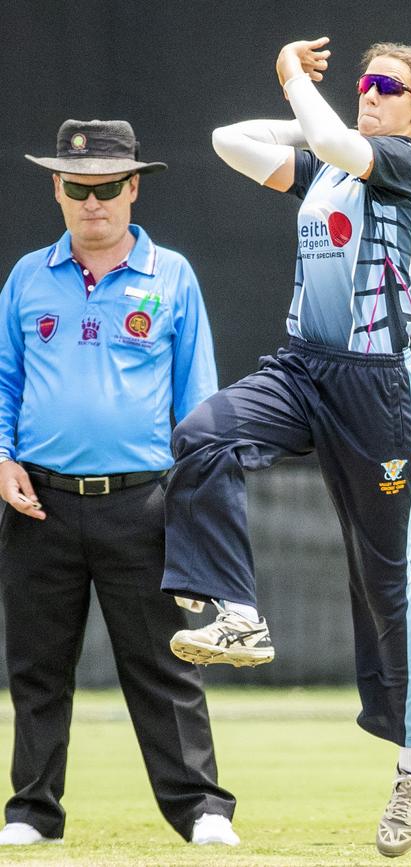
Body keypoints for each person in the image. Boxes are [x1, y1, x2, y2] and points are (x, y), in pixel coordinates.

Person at [162, 37, 411, 858]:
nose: (370, 93)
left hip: (375, 390)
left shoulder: (399, 167)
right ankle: (236, 611)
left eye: (388, 86)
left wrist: (290, 80)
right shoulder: (334, 168)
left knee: (383, 581)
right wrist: (306, 115)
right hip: (304, 368)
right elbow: (231, 142)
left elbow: (346, 140)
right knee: (202, 436)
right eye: (364, 82)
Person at [0, 119, 239, 848]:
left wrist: (197, 509)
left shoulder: (172, 277)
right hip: (38, 499)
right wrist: (2, 458)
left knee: (164, 666)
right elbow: (5, 383)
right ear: (57, 188)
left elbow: (199, 404)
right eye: (79, 187)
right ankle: (32, 811)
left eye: (107, 187)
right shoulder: (27, 277)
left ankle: (201, 808)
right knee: (37, 668)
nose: (92, 201)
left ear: (133, 187)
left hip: (143, 499)